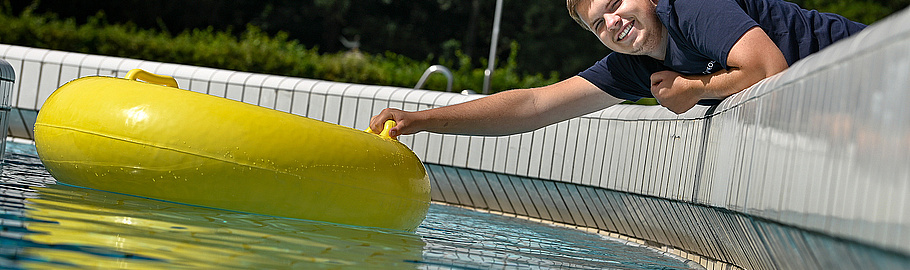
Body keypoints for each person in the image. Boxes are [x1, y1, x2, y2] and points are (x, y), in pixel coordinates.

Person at [369, 0, 866, 138]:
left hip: (875, 66)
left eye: (616, 2)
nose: (613, 22)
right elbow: (534, 105)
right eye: (598, 23)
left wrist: (694, 88)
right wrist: (426, 120)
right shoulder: (635, 65)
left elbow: (769, 70)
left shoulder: (690, 7)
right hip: (844, 98)